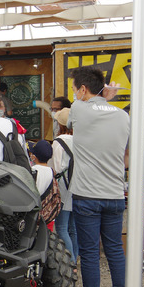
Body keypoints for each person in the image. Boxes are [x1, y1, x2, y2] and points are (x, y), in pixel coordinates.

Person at [66, 67, 129, 287]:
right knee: (115, 250)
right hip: (115, 194)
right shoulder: (124, 116)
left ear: (82, 89)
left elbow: (74, 119)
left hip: (87, 196)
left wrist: (104, 98)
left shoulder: (78, 109)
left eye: (75, 89)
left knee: (90, 254)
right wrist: (108, 100)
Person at [50, 108, 78, 264]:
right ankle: (75, 258)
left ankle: (70, 262)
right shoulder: (80, 140)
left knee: (61, 227)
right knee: (73, 228)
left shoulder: (58, 142)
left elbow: (56, 168)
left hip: (63, 188)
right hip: (78, 187)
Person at [29, 140, 56, 231]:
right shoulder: (52, 172)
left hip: (34, 214)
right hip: (48, 214)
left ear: (34, 157)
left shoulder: (32, 170)